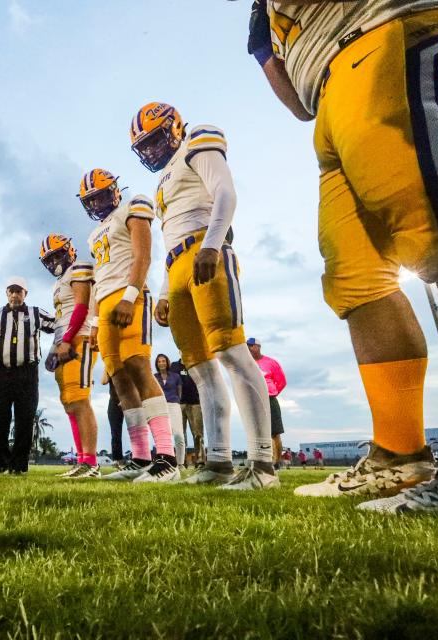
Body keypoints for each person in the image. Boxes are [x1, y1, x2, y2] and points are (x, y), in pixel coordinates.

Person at [246, 1, 438, 512]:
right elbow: (298, 104)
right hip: (333, 88)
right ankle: (399, 455)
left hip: (393, 34)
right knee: (357, 280)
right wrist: (262, 47)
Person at [130, 102, 278, 490]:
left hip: (204, 251)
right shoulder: (163, 179)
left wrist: (212, 246)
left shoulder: (198, 140)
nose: (150, 150)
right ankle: (218, 462)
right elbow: (169, 236)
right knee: (200, 367)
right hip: (177, 265)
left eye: (155, 138)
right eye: (143, 145)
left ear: (175, 126)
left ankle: (263, 465)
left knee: (231, 350)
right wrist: (164, 290)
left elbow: (225, 193)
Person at [76, 169, 179, 483]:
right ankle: (140, 457)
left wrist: (131, 295)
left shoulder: (133, 206)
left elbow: (143, 255)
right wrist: (93, 323)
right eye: (90, 199)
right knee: (119, 381)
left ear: (114, 191)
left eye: (100, 195)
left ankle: (167, 457)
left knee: (138, 365)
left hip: (129, 295)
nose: (96, 202)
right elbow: (99, 282)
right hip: (105, 301)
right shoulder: (94, 235)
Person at [0, 277, 56, 475]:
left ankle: (18, 466)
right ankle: (1, 463)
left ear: (25, 293)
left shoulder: (36, 313)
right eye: (11, 291)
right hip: (0, 372)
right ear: (6, 293)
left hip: (26, 373)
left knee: (25, 419)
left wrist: (58, 347)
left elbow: (59, 325)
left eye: (18, 291)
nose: (14, 295)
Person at [39, 234, 100, 479]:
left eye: (56, 255)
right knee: (68, 403)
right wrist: (55, 346)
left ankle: (91, 463)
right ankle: (81, 459)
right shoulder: (60, 281)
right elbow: (61, 317)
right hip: (64, 341)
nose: (54, 261)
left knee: (79, 399)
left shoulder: (79, 268)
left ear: (68, 250)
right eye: (49, 258)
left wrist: (66, 340)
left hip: (79, 338)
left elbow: (82, 307)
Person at [247, 338, 287, 467]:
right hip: (254, 401)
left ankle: (277, 461)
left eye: (250, 346)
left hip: (269, 399)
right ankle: (261, 459)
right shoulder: (247, 363)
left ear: (257, 347)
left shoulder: (271, 362)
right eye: (247, 346)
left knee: (275, 432)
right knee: (257, 431)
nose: (248, 348)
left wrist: (272, 392)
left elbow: (281, 382)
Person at [154, 354, 187, 471]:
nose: (161, 363)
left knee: (178, 434)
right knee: (162, 436)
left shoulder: (176, 376)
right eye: (159, 362)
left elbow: (179, 392)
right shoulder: (154, 377)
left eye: (163, 361)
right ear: (157, 364)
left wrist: (176, 401)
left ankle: (180, 463)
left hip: (174, 405)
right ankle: (165, 460)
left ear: (167, 363)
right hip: (160, 407)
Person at [175, 357, 205, 466]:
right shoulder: (174, 366)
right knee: (180, 434)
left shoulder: (195, 364)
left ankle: (200, 460)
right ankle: (182, 462)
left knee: (198, 434)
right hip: (180, 404)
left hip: (195, 403)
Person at [105, 373, 126, 468]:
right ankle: (117, 459)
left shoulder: (127, 364)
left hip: (129, 399)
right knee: (115, 432)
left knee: (135, 432)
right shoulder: (110, 367)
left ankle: (140, 459)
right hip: (113, 402)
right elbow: (103, 381)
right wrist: (106, 367)